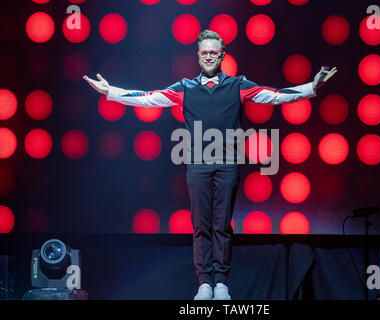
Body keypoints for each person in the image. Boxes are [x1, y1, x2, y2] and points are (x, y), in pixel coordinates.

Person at [84, 30, 337, 300]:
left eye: (213, 52)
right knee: (201, 225)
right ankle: (204, 283)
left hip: (228, 165)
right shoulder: (184, 88)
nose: (208, 56)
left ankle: (221, 283)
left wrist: (312, 86)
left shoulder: (238, 85)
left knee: (222, 225)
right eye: (204, 52)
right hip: (197, 165)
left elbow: (275, 95)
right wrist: (111, 91)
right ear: (198, 56)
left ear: (222, 55)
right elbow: (148, 97)